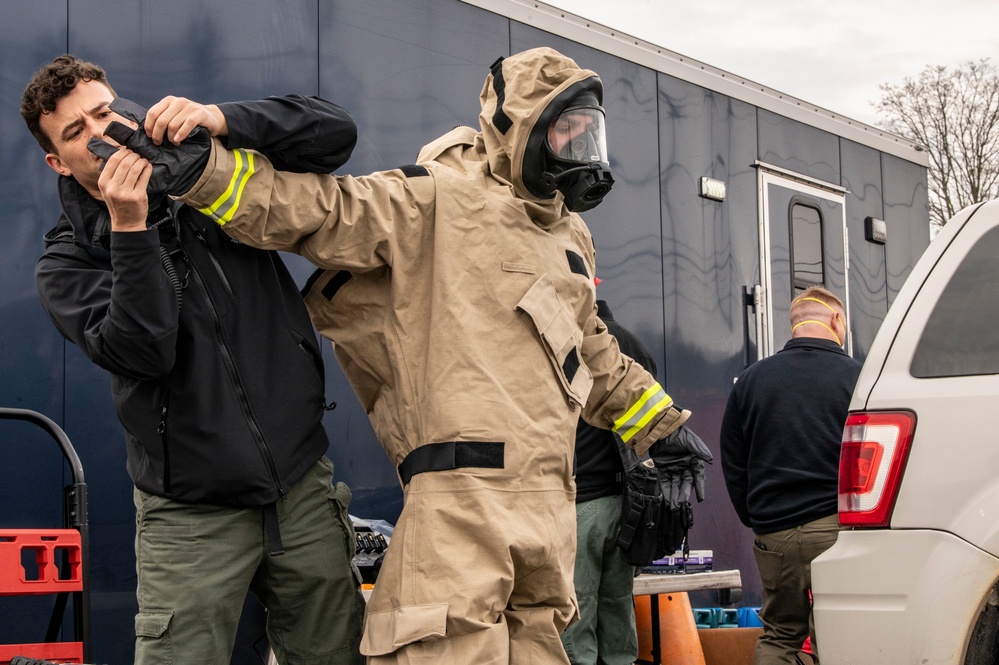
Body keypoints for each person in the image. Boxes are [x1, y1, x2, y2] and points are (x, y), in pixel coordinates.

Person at [106, 46, 693, 663]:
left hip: (549, 512)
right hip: (460, 503)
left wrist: (664, 429)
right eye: (565, 128)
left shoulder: (569, 235)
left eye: (589, 130)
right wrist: (206, 172)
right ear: (519, 131)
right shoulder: (436, 198)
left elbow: (592, 348)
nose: (580, 146)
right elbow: (319, 212)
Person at [21, 55, 365, 665]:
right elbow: (143, 351)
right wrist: (133, 229)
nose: (98, 133)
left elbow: (336, 133)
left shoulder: (201, 176)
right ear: (57, 161)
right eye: (74, 132)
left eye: (102, 111)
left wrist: (220, 119)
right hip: (190, 515)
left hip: (300, 487)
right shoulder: (66, 264)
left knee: (334, 654)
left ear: (123, 105)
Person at [719, 286, 862, 664]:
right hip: (837, 529)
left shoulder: (751, 380)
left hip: (775, 533)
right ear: (836, 320)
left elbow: (733, 461)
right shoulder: (860, 379)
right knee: (839, 633)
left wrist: (758, 517)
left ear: (794, 323)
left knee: (780, 635)